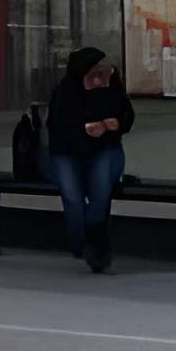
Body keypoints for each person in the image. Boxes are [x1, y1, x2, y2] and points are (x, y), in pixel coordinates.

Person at [45, 46, 134, 271]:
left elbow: (125, 116)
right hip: (67, 151)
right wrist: (84, 130)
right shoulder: (66, 93)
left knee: (100, 194)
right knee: (73, 197)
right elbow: (57, 129)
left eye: (106, 72)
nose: (102, 78)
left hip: (103, 149)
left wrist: (111, 126)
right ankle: (81, 242)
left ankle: (95, 244)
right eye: (96, 72)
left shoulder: (112, 89)